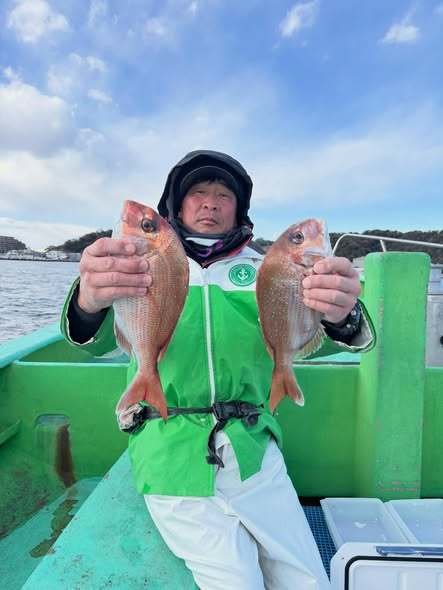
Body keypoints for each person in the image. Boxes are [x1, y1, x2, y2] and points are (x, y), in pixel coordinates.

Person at [61, 150, 374, 590]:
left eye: (224, 195)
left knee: (308, 579)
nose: (210, 202)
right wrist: (88, 302)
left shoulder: (271, 268)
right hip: (168, 447)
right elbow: (94, 342)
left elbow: (314, 340)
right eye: (198, 192)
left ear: (239, 209)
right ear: (176, 205)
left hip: (253, 447)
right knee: (236, 579)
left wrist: (342, 314)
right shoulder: (136, 267)